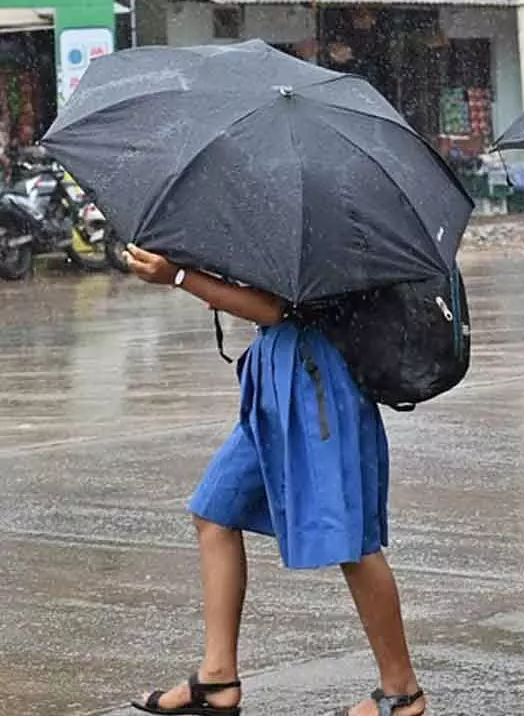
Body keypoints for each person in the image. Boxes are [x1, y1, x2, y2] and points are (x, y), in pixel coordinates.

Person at [121, 244, 426, 716]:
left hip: (318, 389)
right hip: (276, 381)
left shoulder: (323, 223)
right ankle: (217, 679)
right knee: (215, 511)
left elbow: (274, 307)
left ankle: (401, 691)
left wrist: (180, 277)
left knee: (354, 541)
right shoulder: (290, 216)